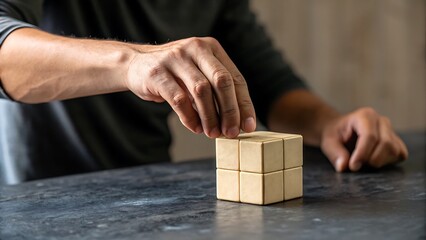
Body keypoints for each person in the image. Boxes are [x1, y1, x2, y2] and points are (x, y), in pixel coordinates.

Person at [0, 0, 408, 184]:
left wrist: (330, 123)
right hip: (36, 199)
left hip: (146, 195)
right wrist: (131, 62)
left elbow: (270, 83)